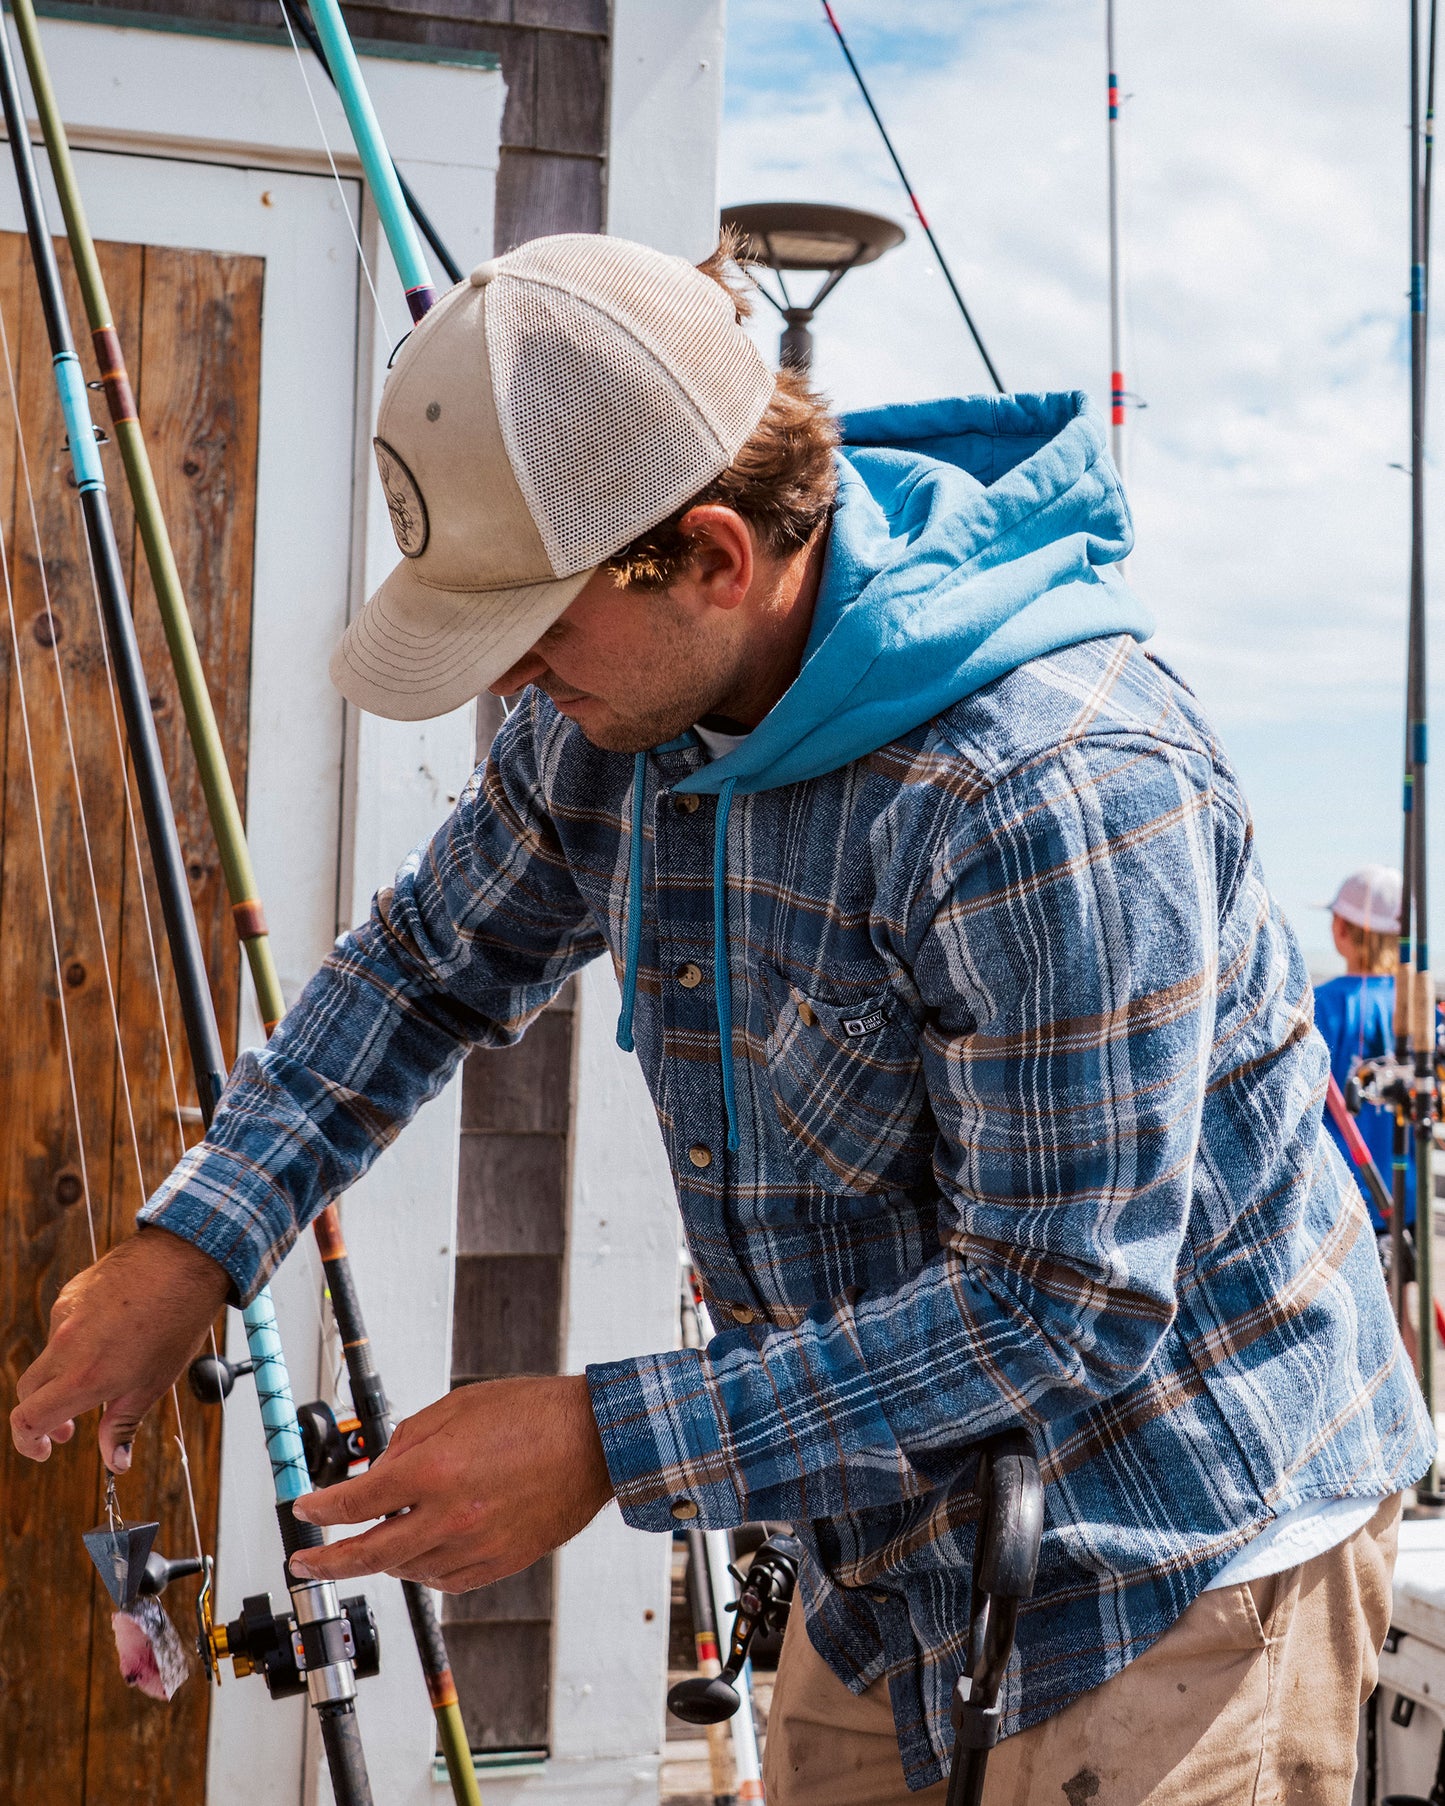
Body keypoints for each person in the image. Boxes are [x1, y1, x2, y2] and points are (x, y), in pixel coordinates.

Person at [10, 235, 1432, 1805]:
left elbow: (1059, 1304)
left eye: (536, 628)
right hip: (883, 1556)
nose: (511, 682)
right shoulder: (621, 712)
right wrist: (199, 1240)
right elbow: (426, 965)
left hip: (1177, 1553)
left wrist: (601, 1441)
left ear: (711, 555)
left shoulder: (1047, 789)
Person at [1314, 865, 1412, 1234]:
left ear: (1341, 929)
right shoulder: (1424, 1014)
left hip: (1339, 1204)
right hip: (1406, 1202)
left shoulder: (1318, 1005)